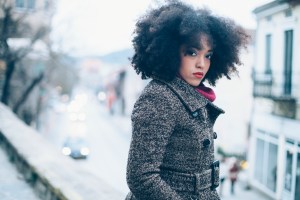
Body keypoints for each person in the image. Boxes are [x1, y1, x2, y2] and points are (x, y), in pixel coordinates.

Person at [125, 1, 249, 200]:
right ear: (171, 51)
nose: (201, 64)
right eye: (192, 52)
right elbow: (141, 177)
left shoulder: (192, 95)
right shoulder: (159, 97)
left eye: (208, 55)